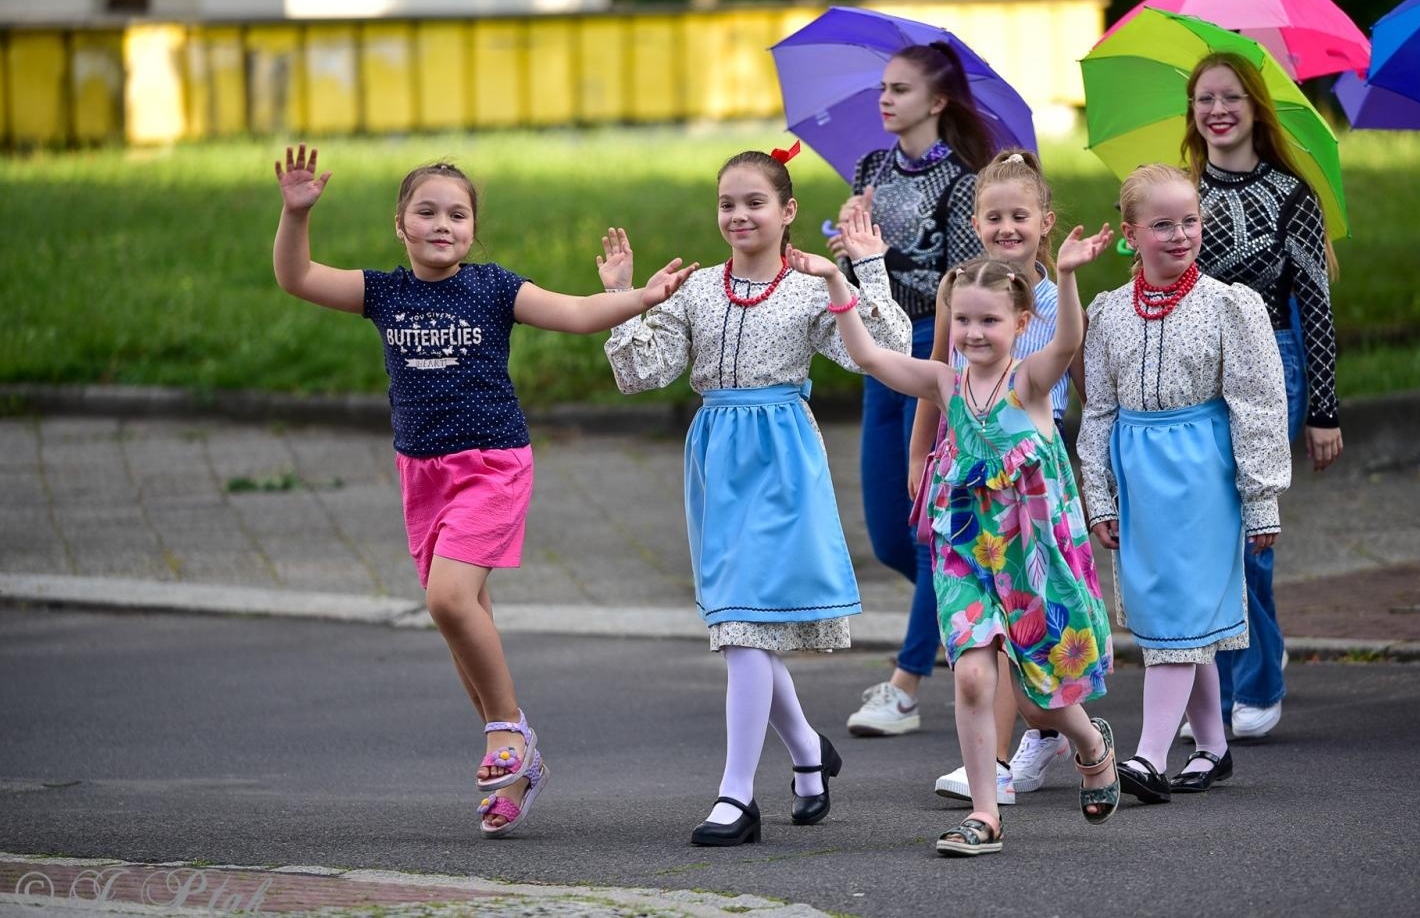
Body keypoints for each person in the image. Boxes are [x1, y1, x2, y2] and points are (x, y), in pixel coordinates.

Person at [270, 144, 695, 838]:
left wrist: (634, 297)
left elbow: (577, 313)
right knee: (463, 619)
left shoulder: (494, 288)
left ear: (473, 228)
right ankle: (516, 761)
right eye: (427, 211)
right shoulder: (384, 292)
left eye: (458, 214)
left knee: (446, 599)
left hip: (492, 465)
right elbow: (297, 276)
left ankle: (506, 731)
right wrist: (296, 214)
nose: (443, 223)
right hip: (422, 473)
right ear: (400, 224)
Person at [601, 144, 912, 845]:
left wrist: (862, 269)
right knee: (746, 627)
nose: (738, 215)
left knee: (744, 628)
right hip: (716, 462)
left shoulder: (809, 286)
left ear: (788, 211)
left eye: (754, 202)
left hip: (782, 462)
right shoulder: (698, 288)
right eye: (727, 204)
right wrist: (626, 296)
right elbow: (639, 374)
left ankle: (736, 796)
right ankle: (807, 752)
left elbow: (886, 353)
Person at [792, 230, 1120, 856]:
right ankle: (984, 814)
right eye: (962, 319)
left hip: (1029, 554)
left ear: (1021, 322)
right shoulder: (945, 383)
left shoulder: (1031, 382)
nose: (973, 332)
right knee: (972, 676)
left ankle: (1091, 746)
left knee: (1040, 694)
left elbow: (1070, 341)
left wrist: (1071, 277)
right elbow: (869, 357)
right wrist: (839, 285)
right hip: (966, 548)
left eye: (989, 320)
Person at [1079, 164, 1291, 804]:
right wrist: (1100, 493)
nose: (1180, 235)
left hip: (1203, 473)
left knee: (1183, 610)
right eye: (1163, 224)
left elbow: (1257, 404)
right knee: (1170, 615)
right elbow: (1098, 411)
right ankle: (1214, 747)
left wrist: (1260, 499)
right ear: (1130, 233)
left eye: (1191, 221)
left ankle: (1143, 756)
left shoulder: (1230, 306)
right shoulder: (1110, 312)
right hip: (1139, 471)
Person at [900, 149, 1085, 805]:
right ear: (976, 222)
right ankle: (1004, 761)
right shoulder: (962, 287)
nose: (1007, 228)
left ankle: (1033, 744)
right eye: (994, 217)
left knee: (1027, 621)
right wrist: (922, 454)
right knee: (985, 621)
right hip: (969, 465)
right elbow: (934, 374)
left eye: (1020, 217)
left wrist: (1088, 459)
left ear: (1044, 221)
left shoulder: (1053, 293)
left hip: (1034, 472)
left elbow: (1076, 368)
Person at [835, 43, 997, 738]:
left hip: (934, 344)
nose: (885, 99)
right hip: (881, 348)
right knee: (891, 536)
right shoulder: (870, 168)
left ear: (936, 102)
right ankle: (975, 608)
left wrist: (880, 254)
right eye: (882, 88)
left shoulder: (964, 183)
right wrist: (845, 242)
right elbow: (858, 261)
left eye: (899, 89)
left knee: (934, 529)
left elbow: (961, 278)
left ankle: (905, 684)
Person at [1180, 51, 1341, 740]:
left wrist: (1325, 412)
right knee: (1199, 536)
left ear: (1254, 108)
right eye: (1204, 99)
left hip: (1271, 367)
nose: (1217, 110)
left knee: (1250, 531)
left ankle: (1260, 684)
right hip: (1191, 371)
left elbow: (1318, 305)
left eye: (1231, 98)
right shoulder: (1178, 195)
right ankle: (1220, 688)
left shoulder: (1290, 195)